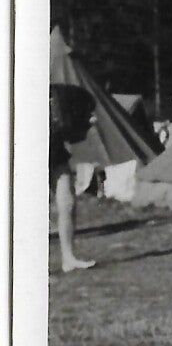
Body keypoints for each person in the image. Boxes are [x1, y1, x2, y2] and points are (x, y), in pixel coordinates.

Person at [50, 84, 96, 272]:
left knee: (68, 203)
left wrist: (86, 122)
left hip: (54, 152)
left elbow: (70, 133)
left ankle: (68, 259)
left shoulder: (55, 99)